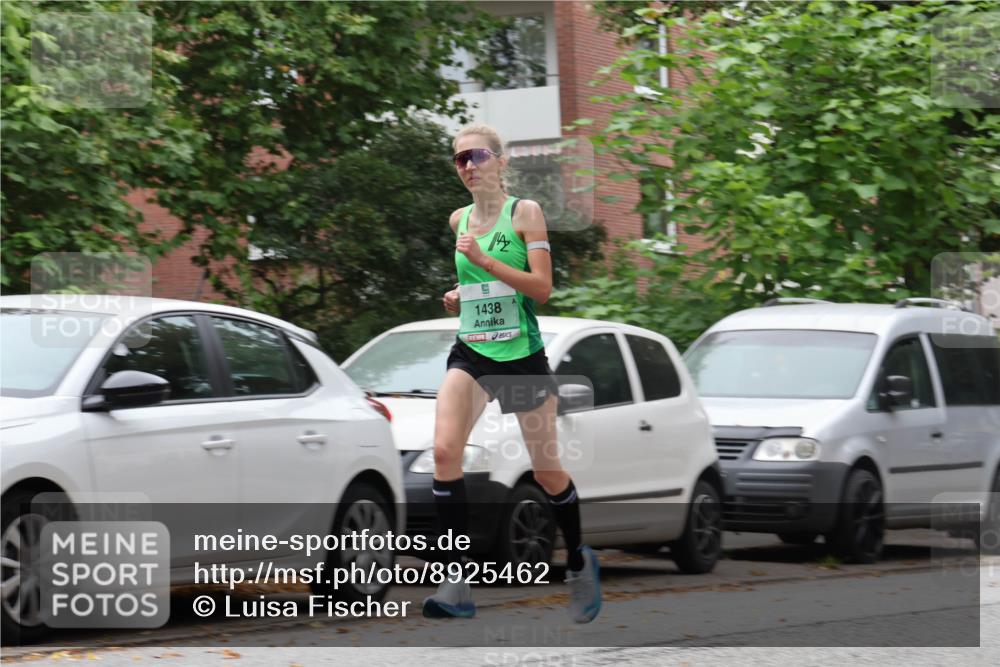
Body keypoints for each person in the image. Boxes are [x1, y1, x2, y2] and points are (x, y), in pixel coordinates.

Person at [421, 123, 601, 624]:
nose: (469, 166)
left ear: (501, 162)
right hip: (473, 352)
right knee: (444, 452)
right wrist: (461, 293)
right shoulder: (458, 219)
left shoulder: (525, 213)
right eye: (460, 159)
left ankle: (579, 559)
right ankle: (457, 581)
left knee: (546, 471)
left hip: (521, 357)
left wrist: (482, 260)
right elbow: (484, 284)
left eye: (478, 156)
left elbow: (540, 288)